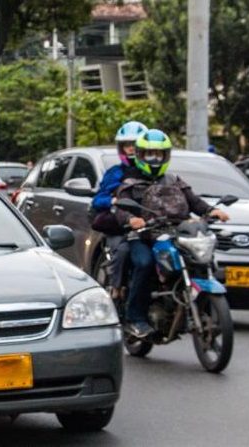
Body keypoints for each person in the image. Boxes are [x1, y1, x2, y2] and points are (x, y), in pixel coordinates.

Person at [113, 129, 230, 338]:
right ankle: (135, 318)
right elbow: (121, 210)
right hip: (143, 237)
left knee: (200, 261)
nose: (154, 159)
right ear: (139, 155)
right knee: (145, 263)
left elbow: (195, 202)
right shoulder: (129, 183)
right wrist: (132, 220)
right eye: (149, 154)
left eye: (159, 155)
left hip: (175, 235)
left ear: (166, 156)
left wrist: (212, 211)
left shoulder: (174, 180)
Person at [90, 121, 147, 299]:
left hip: (149, 226)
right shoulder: (115, 173)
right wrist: (114, 200)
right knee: (123, 251)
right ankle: (117, 289)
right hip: (120, 226)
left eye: (135, 145)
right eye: (127, 145)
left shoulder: (154, 174)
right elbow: (98, 200)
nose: (131, 149)